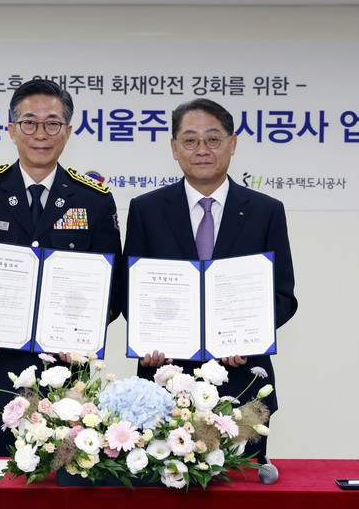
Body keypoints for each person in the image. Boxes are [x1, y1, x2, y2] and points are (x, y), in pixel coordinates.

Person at [0, 79, 122, 457]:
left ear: (67, 132)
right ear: (12, 129)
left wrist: (85, 335)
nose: (41, 133)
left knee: (66, 479)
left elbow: (113, 286)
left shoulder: (94, 199)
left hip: (66, 379)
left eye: (52, 123)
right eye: (29, 122)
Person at [122, 98, 298, 464]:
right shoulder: (146, 209)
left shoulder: (265, 211)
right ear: (174, 148)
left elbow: (283, 296)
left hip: (242, 384)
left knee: (242, 487)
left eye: (213, 139)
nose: (202, 150)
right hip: (164, 384)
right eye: (190, 140)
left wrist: (247, 337)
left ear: (232, 144)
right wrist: (148, 337)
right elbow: (130, 292)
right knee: (161, 486)